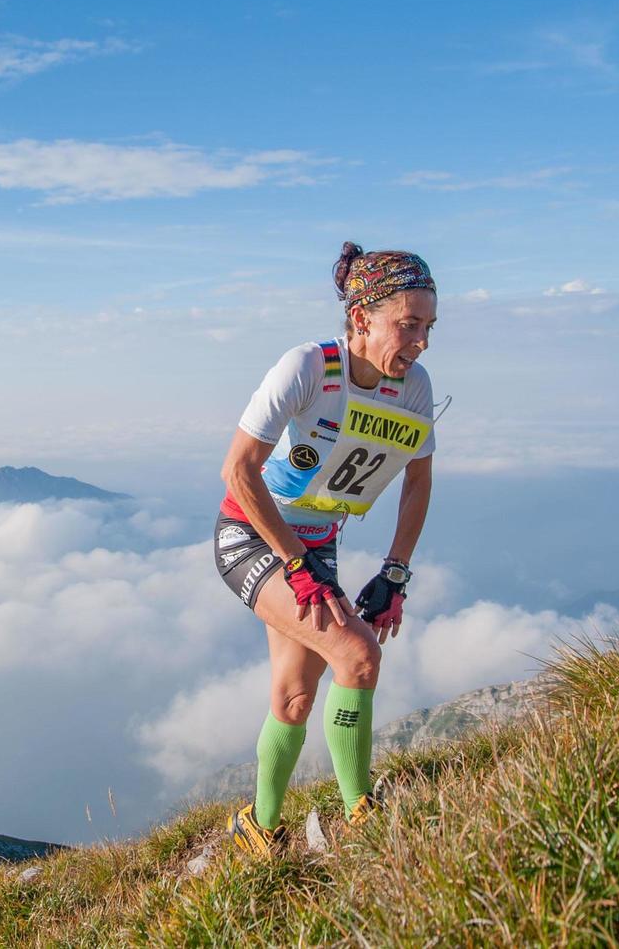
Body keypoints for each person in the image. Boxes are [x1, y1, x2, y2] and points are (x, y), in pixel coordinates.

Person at [216, 242, 440, 855]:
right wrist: (295, 564)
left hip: (316, 546)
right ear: (362, 316)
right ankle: (364, 816)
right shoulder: (308, 367)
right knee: (358, 654)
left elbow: (419, 478)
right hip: (253, 536)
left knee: (295, 695)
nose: (421, 342)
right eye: (409, 325)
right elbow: (237, 472)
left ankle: (257, 828)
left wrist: (395, 573)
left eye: (428, 327)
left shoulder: (412, 386)